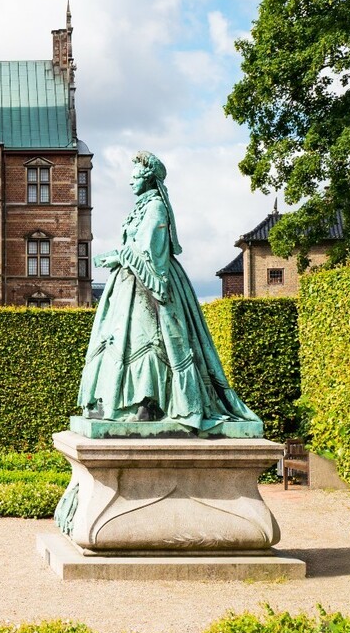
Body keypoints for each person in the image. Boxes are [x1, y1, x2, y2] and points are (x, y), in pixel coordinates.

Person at [78, 151, 261, 434]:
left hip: (151, 286)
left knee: (150, 339)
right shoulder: (142, 207)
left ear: (148, 178)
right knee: (120, 339)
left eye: (135, 175)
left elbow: (152, 253)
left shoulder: (155, 209)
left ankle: (149, 403)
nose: (129, 181)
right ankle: (122, 403)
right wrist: (119, 256)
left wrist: (119, 255)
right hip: (130, 286)